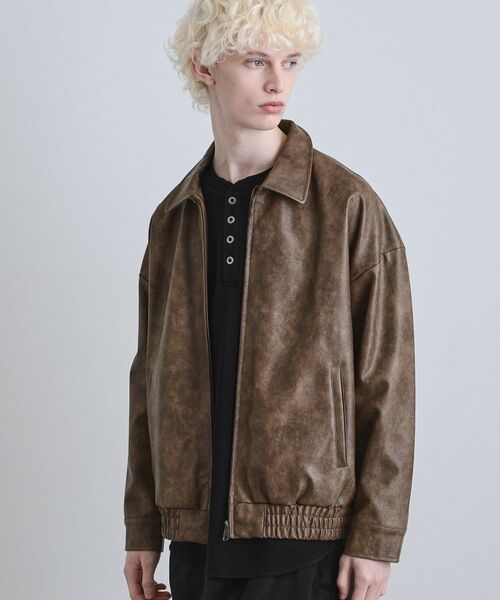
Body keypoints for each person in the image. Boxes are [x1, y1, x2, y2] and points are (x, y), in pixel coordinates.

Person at [122, 1, 416, 599]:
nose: (278, 82)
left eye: (290, 61)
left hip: (306, 540)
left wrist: (375, 537)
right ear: (204, 66)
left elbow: (388, 381)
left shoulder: (346, 205)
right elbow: (148, 381)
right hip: (195, 538)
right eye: (256, 61)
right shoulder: (174, 219)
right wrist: (143, 525)